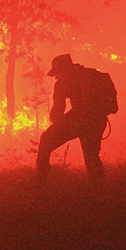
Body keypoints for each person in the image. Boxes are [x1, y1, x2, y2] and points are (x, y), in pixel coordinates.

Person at [36, 53, 118, 188]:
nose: (56, 76)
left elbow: (58, 109)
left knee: (45, 140)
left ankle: (40, 182)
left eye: (57, 72)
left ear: (62, 69)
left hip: (79, 120)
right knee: (92, 156)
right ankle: (98, 189)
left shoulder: (63, 82)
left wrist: (57, 126)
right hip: (98, 120)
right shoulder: (92, 75)